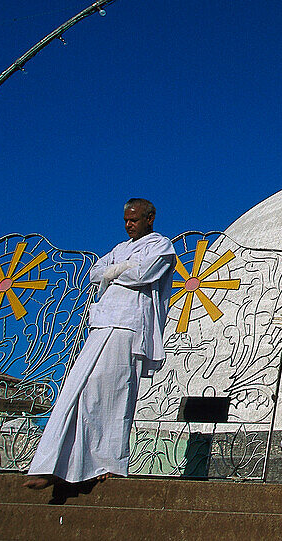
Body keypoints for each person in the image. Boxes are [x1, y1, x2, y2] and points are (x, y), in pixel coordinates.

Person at [24, 198, 175, 489]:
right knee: (79, 390)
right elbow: (96, 272)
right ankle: (54, 464)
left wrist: (115, 271)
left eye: (134, 220)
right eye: (126, 221)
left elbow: (144, 273)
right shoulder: (120, 249)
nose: (129, 225)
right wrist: (121, 268)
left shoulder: (161, 246)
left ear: (150, 218)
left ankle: (109, 463)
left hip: (128, 324)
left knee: (114, 392)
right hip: (103, 323)